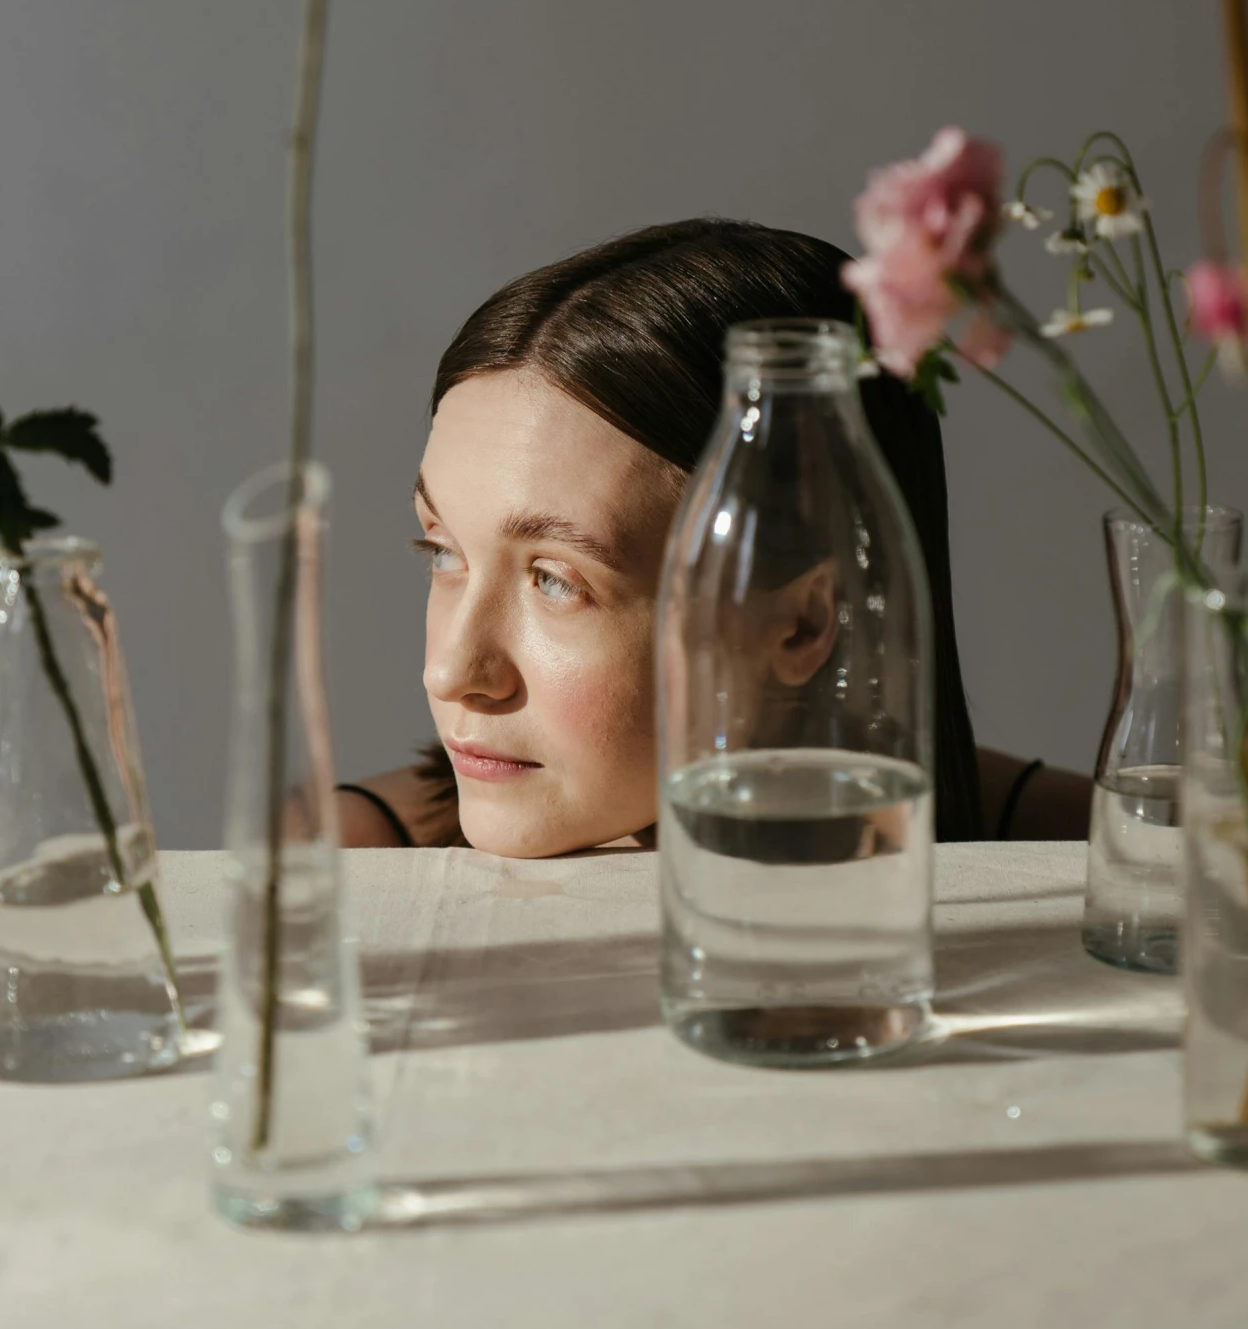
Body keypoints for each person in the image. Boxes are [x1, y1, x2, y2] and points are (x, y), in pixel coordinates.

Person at [335, 219, 1090, 856]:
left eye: (554, 579)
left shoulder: (1094, 859)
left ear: (800, 621)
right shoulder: (333, 862)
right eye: (443, 551)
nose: (452, 671)